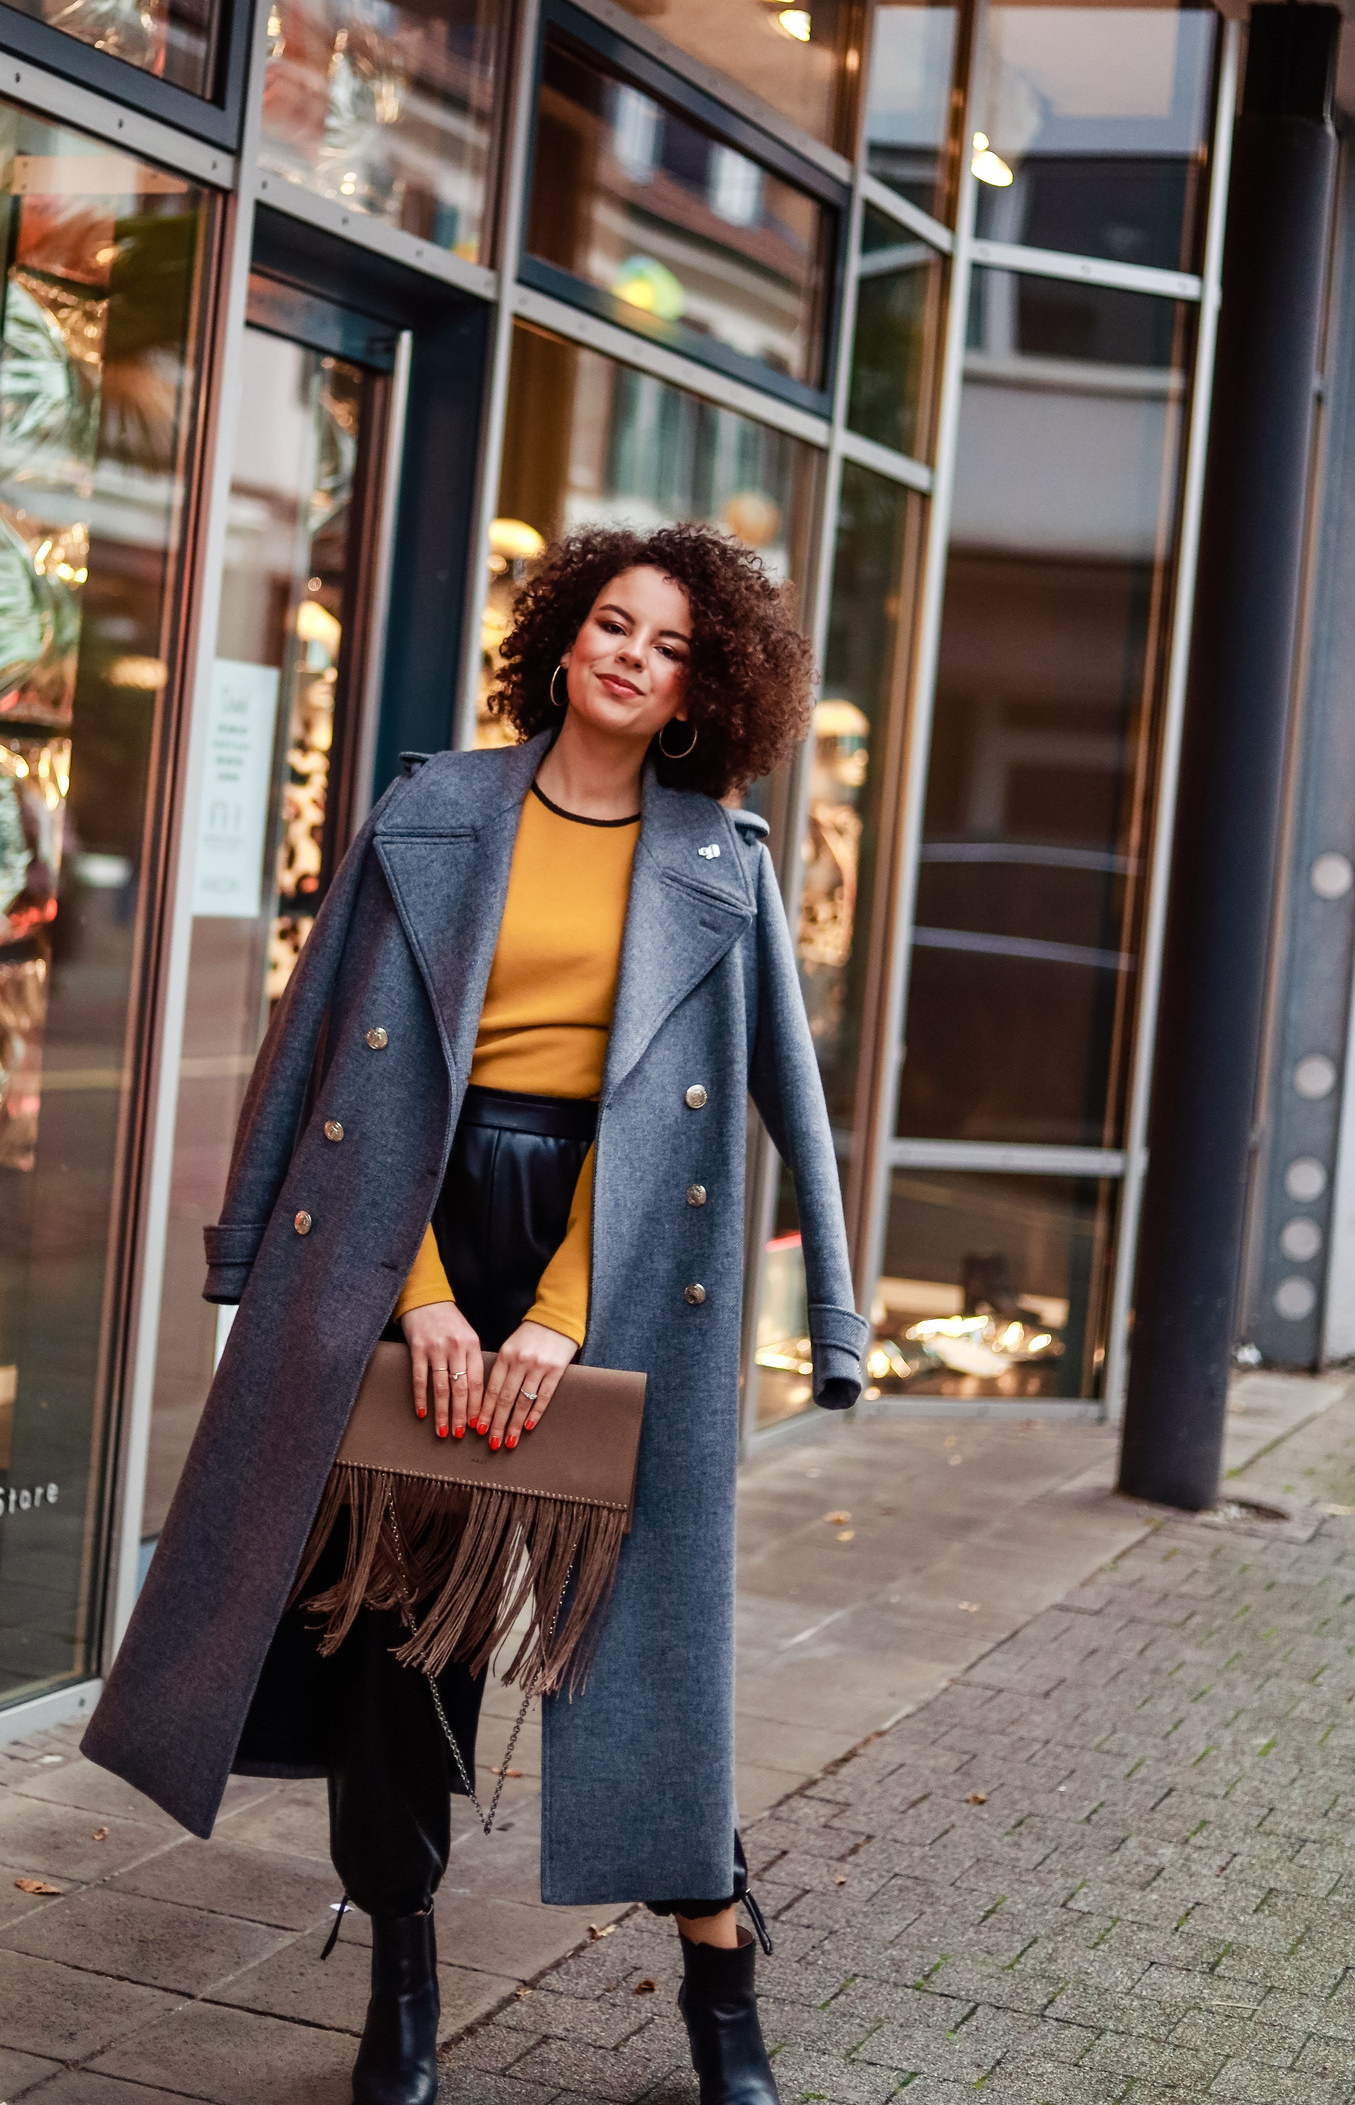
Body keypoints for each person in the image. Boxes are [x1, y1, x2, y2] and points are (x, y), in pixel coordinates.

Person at [85, 522, 867, 2105]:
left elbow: (774, 1099)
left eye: (669, 644)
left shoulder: (725, 859)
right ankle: (401, 1975)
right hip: (414, 1234)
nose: (630, 654)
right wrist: (416, 1302)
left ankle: (721, 1981)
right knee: (396, 1632)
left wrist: (576, 1317)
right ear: (563, 638)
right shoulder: (434, 806)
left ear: (706, 686)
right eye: (610, 623)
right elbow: (325, 1061)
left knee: (641, 1637)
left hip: (620, 1263)